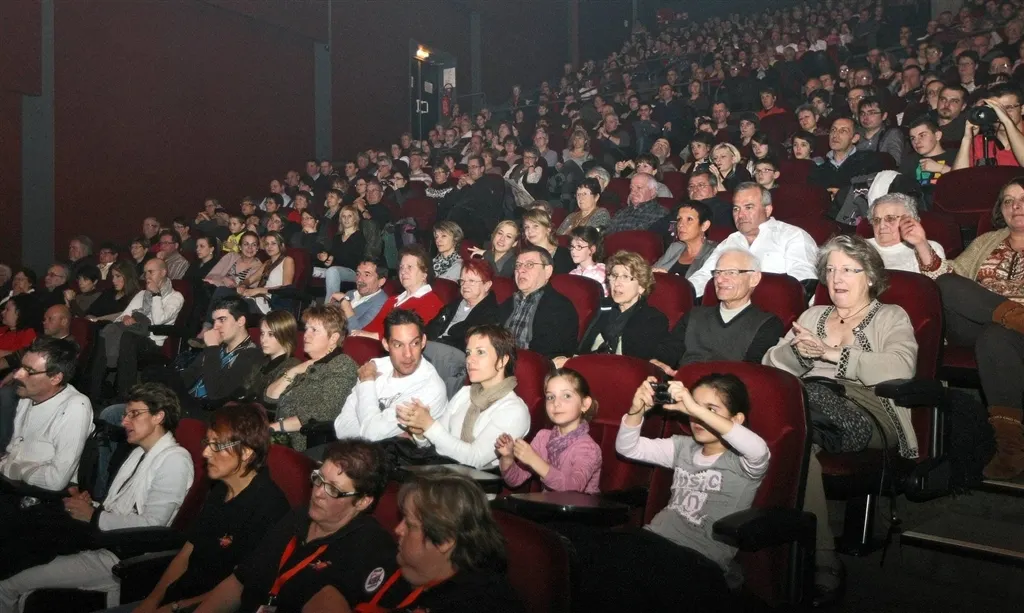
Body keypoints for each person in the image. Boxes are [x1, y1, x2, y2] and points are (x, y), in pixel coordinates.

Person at [763, 235, 919, 605]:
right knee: (797, 441)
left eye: (849, 269)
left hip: (870, 409)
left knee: (792, 415)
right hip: (808, 405)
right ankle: (816, 557)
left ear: (871, 276)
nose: (837, 278)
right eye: (831, 270)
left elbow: (902, 367)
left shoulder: (891, 316)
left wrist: (832, 353)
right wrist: (800, 355)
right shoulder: (812, 315)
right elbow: (769, 364)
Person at [567, 373, 769, 610]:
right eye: (693, 407)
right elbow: (628, 448)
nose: (696, 417)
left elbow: (758, 449)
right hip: (652, 541)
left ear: (737, 419)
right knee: (575, 544)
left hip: (698, 560)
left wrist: (695, 408)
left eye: (711, 409)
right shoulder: (682, 447)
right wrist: (636, 411)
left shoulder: (743, 462)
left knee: (614, 570)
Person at [0, 383, 193, 606]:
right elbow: (118, 507)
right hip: (105, 540)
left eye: (134, 414)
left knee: (7, 583)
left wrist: (93, 515)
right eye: (125, 414)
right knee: (26, 531)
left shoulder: (175, 460)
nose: (124, 421)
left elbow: (153, 525)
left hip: (120, 554)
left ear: (159, 416)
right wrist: (89, 504)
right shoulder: (140, 452)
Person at [102, 404, 291, 613]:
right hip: (177, 598)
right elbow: (187, 552)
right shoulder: (221, 488)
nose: (206, 452)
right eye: (207, 443)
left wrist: (175, 608)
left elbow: (237, 588)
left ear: (246, 452)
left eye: (216, 445)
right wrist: (152, 601)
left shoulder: (269, 508)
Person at [907, 178, 1024, 479]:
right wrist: (921, 244)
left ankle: (1010, 447)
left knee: (996, 337)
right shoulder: (987, 241)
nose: (1016, 206)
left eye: (1023, 199)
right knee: (947, 285)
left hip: (1000, 338)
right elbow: (951, 276)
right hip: (975, 323)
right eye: (1008, 201)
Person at [194, 439, 397, 613]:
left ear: (362, 501)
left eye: (333, 490)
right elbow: (240, 581)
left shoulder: (369, 547)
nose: (318, 493)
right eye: (318, 479)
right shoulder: (298, 516)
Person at [362, 470, 525, 612]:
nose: (398, 529)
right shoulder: (402, 568)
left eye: (410, 525)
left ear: (445, 540)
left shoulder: (480, 604)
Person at [397, 325, 529, 470]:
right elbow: (434, 444)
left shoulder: (514, 410)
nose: (470, 360)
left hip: (477, 482)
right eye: (468, 353)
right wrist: (420, 432)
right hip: (443, 471)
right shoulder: (465, 393)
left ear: (502, 360)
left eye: (480, 352)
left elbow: (475, 460)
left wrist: (429, 425)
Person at [652, 249, 784, 376]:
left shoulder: (767, 324)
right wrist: (656, 363)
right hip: (681, 384)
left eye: (731, 272)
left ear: (754, 279)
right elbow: (669, 351)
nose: (720, 280)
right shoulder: (695, 315)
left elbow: (750, 373)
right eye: (718, 272)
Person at [334, 309, 448, 444]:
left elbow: (371, 434)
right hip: (349, 448)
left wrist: (367, 383)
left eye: (414, 343)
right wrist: (376, 430)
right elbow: (341, 426)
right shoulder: (376, 366)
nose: (408, 354)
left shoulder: (430, 388)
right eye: (398, 345)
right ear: (386, 345)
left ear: (423, 341)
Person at [688, 183, 818, 298]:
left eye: (748, 207)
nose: (740, 215)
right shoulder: (730, 241)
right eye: (736, 209)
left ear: (767, 210)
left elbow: (804, 281)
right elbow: (704, 275)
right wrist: (685, 291)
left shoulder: (792, 235)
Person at [266, 305, 358, 452]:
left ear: (333, 338)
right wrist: (293, 371)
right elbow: (270, 397)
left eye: (314, 330)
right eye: (306, 329)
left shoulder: (342, 366)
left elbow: (322, 413)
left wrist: (273, 428)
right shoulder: (305, 365)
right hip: (278, 436)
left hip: (301, 444)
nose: (306, 335)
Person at [497, 367, 601, 493]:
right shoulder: (543, 437)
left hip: (578, 506)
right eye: (550, 397)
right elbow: (516, 480)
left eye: (566, 396)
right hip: (546, 504)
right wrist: (508, 458)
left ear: (585, 404)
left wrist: (534, 460)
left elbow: (572, 489)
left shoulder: (588, 448)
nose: (556, 403)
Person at [559, 251, 668, 366]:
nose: (617, 283)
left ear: (641, 287)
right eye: (614, 276)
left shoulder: (653, 319)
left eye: (625, 277)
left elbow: (637, 366)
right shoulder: (602, 307)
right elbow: (582, 347)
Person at [95, 259, 185, 399]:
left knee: (128, 337)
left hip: (152, 341)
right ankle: (95, 391)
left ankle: (125, 394)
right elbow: (122, 316)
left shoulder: (176, 297)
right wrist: (126, 318)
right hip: (133, 334)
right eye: (145, 272)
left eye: (151, 272)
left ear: (163, 273)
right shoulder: (142, 293)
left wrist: (156, 295)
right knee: (103, 332)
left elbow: (158, 320)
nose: (147, 276)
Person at [498, 247, 578, 358]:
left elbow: (549, 355)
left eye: (529, 265)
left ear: (547, 271)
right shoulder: (508, 302)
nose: (520, 270)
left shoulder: (560, 308)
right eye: (518, 265)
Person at [355, 246, 445, 341]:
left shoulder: (431, 302)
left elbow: (409, 337)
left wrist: (371, 336)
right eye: (401, 267)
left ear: (424, 274)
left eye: (409, 267)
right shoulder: (392, 300)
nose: (403, 272)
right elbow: (369, 328)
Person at [426, 259, 501, 352]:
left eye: (471, 281)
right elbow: (430, 329)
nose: (465, 285)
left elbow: (468, 346)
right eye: (462, 281)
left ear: (487, 285)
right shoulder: (452, 306)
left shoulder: (491, 316)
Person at [865, 193, 946, 273]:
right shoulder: (862, 247)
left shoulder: (929, 247)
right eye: (876, 220)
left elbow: (941, 279)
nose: (882, 226)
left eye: (890, 219)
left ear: (910, 220)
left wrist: (921, 244)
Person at [240, 310, 301, 411]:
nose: (263, 339)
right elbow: (244, 389)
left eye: (271, 334)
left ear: (285, 335)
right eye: (262, 333)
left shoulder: (292, 366)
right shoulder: (261, 362)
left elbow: (273, 406)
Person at [952, 83, 1024, 169]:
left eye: (1008, 108)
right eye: (995, 110)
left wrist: (1006, 121)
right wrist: (967, 139)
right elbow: (958, 176)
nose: (1000, 113)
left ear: (1022, 109)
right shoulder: (981, 141)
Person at [653, 201, 719, 281]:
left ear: (704, 226)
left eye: (689, 219)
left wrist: (668, 279)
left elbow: (702, 285)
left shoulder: (715, 253)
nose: (680, 224)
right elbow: (650, 273)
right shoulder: (675, 248)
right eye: (679, 219)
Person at [899, 116, 955, 209]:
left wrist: (941, 168)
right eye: (913, 138)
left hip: (948, 208)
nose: (916, 141)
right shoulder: (909, 161)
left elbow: (965, 183)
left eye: (922, 135)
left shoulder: (954, 156)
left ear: (937, 135)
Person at [238, 232, 295, 316]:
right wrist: (243, 285)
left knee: (240, 305)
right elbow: (250, 279)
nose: (269, 247)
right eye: (267, 244)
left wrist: (259, 290)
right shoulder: (267, 263)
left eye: (273, 243)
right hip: (259, 299)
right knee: (227, 295)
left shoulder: (287, 260)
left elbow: (286, 288)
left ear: (281, 245)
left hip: (273, 302)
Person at [328, 260, 390, 332]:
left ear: (381, 281)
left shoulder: (382, 303)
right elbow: (328, 318)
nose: (359, 280)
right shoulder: (351, 293)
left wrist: (345, 304)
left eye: (367, 275)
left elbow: (355, 333)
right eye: (358, 274)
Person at [320, 205, 367, 299]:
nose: (346, 219)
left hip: (353, 271)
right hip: (337, 269)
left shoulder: (359, 237)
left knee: (332, 271)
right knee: (313, 270)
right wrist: (327, 260)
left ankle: (331, 305)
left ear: (355, 219)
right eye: (343, 216)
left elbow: (354, 260)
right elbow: (332, 256)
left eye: (349, 216)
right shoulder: (337, 238)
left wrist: (333, 260)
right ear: (340, 219)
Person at [604, 173, 670, 235]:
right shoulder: (622, 211)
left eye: (639, 188)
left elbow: (643, 237)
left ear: (652, 191)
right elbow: (606, 233)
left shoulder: (660, 213)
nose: (633, 192)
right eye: (631, 188)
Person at [521, 209, 573, 274]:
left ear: (548, 229)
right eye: (527, 227)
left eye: (535, 226)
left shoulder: (565, 255)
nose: (530, 231)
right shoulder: (524, 256)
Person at [567, 226, 606, 291]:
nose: (573, 251)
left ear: (592, 249)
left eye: (579, 246)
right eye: (572, 246)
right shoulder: (572, 273)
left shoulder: (602, 273)